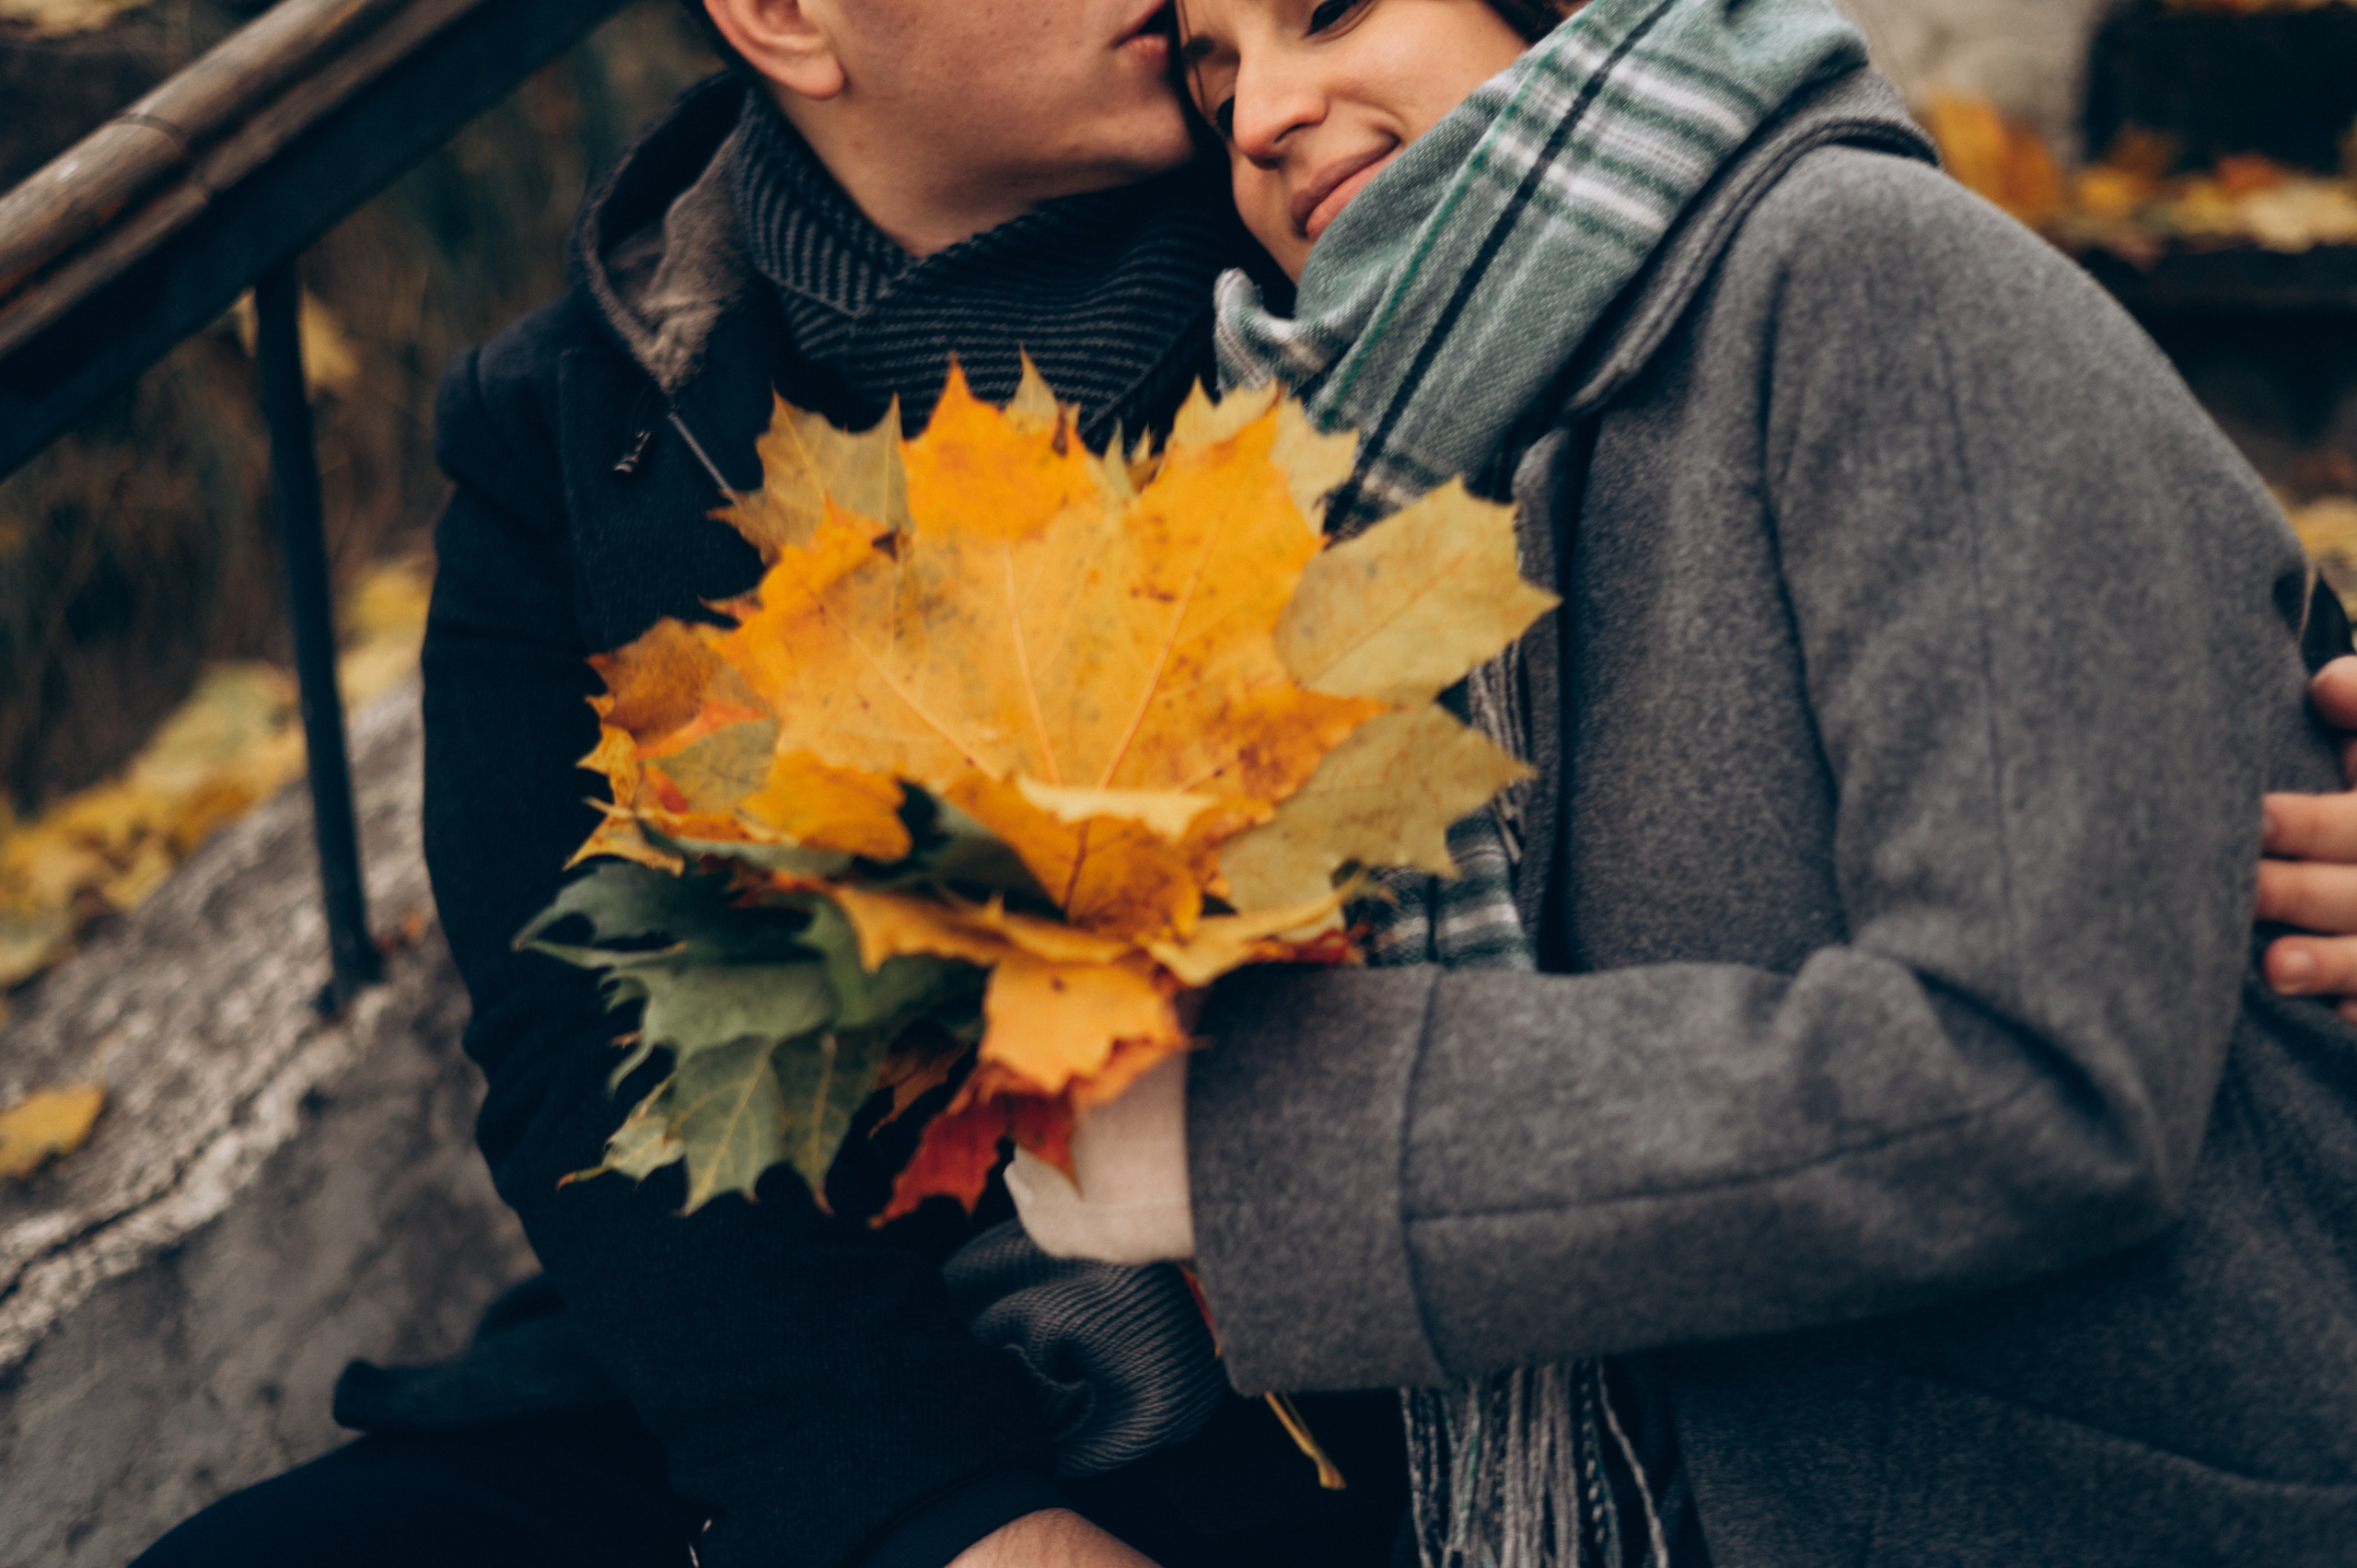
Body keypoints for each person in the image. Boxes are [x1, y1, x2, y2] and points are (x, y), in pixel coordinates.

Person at [129, 1, 2357, 1565]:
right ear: (784, 14)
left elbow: (2031, 579)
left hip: (1411, 1400)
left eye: (1298, 19)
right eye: (1224, 55)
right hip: (905, 1372)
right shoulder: (597, 421)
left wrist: (2278, 732)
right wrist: (927, 1520)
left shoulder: (1409, 262)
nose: (1263, 101)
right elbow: (584, 1056)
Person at [1006, 0, 2357, 1563]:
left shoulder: (1869, 278)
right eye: (1215, 73)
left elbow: (2042, 1072)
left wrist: (1254, 1145)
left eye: (1329, 13)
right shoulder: (1385, 484)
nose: (1260, 119)